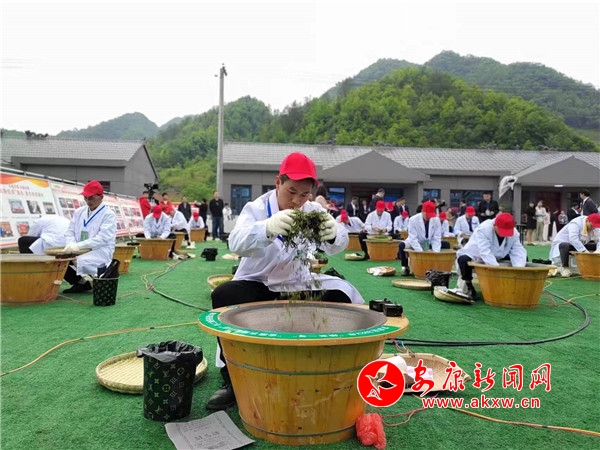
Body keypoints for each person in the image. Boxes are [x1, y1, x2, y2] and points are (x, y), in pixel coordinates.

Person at [206, 152, 364, 410]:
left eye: (304, 194)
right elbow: (236, 242)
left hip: (296, 285)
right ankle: (232, 379)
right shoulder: (257, 209)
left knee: (342, 295)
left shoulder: (313, 211)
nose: (297, 201)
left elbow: (337, 245)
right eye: (291, 192)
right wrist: (267, 227)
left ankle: (324, 366)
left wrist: (334, 234)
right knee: (225, 295)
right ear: (278, 182)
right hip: (258, 284)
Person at [62, 180, 117, 294]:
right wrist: (71, 244)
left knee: (82, 260)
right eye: (85, 198)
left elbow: (103, 238)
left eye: (91, 198)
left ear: (101, 197)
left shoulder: (108, 214)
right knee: (59, 259)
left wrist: (78, 246)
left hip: (99, 250)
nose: (88, 201)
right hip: (79, 248)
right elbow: (70, 231)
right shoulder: (79, 212)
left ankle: (100, 277)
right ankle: (80, 283)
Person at [455, 213, 526, 300]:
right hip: (477, 255)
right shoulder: (484, 229)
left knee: (523, 258)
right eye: (502, 231)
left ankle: (514, 285)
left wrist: (519, 270)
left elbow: (518, 250)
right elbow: (485, 252)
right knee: (463, 259)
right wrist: (498, 271)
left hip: (498, 255)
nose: (504, 235)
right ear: (495, 225)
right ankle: (469, 286)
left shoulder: (514, 233)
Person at [397, 201, 449, 276]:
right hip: (415, 242)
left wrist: (435, 253)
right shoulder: (413, 220)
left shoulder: (436, 220)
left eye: (431, 215)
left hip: (429, 242)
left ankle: (439, 265)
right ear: (422, 211)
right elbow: (413, 238)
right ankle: (405, 267)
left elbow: (436, 238)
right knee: (401, 245)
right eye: (427, 214)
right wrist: (421, 253)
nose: (429, 217)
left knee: (446, 245)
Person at [549, 213, 600, 277]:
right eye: (592, 225)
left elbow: (599, 239)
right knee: (564, 245)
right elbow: (573, 239)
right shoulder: (576, 223)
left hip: (581, 244)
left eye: (595, 226)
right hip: (564, 244)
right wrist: (584, 251)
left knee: (594, 246)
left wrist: (598, 250)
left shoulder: (595, 227)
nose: (593, 227)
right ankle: (565, 267)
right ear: (587, 221)